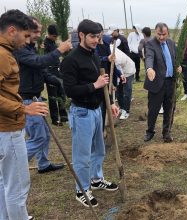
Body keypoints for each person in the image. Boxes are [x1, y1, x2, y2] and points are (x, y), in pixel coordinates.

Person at [61, 19, 120, 207]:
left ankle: (96, 179)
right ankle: (82, 190)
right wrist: (94, 85)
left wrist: (110, 103)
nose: (96, 40)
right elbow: (70, 90)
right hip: (81, 112)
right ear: (81, 36)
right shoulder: (71, 60)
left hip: (97, 110)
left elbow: (102, 84)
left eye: (98, 36)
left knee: (99, 150)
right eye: (93, 36)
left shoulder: (94, 55)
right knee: (82, 154)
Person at [0, 9, 49, 220]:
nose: (27, 41)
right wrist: (24, 109)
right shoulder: (2, 55)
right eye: (25, 35)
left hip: (6, 127)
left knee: (5, 183)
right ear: (12, 31)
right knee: (18, 186)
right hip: (8, 128)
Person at [13, 17, 72, 174]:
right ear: (26, 31)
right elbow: (39, 62)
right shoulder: (20, 50)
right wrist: (59, 50)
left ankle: (43, 164)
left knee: (44, 135)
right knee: (38, 138)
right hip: (27, 101)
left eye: (40, 30)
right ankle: (13, 166)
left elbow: (41, 70)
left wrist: (59, 81)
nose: (39, 34)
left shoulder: (31, 47)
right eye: (36, 31)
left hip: (35, 98)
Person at [143, 22, 182, 143]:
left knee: (169, 109)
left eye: (163, 34)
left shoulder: (171, 43)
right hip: (156, 83)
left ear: (168, 33)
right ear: (155, 32)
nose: (161, 37)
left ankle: (167, 132)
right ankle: (150, 131)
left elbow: (175, 58)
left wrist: (178, 66)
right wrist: (149, 68)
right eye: (159, 34)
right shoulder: (150, 44)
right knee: (153, 109)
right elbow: (149, 57)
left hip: (170, 83)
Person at [44, 24, 68, 126]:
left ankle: (63, 116)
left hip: (58, 71)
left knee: (61, 94)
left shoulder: (54, 43)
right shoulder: (45, 45)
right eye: (54, 36)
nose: (55, 38)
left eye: (56, 36)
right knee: (53, 96)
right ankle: (55, 119)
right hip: (50, 71)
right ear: (49, 34)